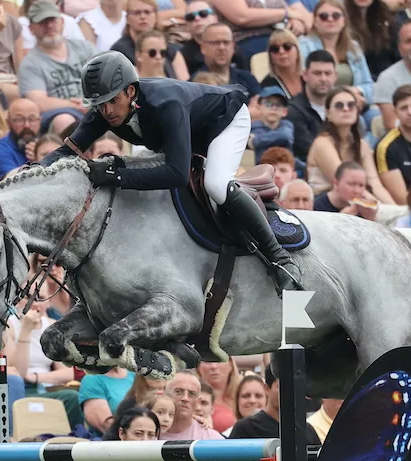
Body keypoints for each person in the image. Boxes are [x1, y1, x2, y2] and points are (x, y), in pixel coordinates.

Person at [39, 50, 302, 292]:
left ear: (131, 91)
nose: (106, 111)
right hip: (183, 134)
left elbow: (176, 174)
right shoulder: (104, 110)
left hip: (223, 123)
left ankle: (279, 258)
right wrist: (34, 172)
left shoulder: (165, 105)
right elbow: (67, 150)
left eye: (112, 101)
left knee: (216, 185)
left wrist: (115, 176)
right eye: (99, 104)